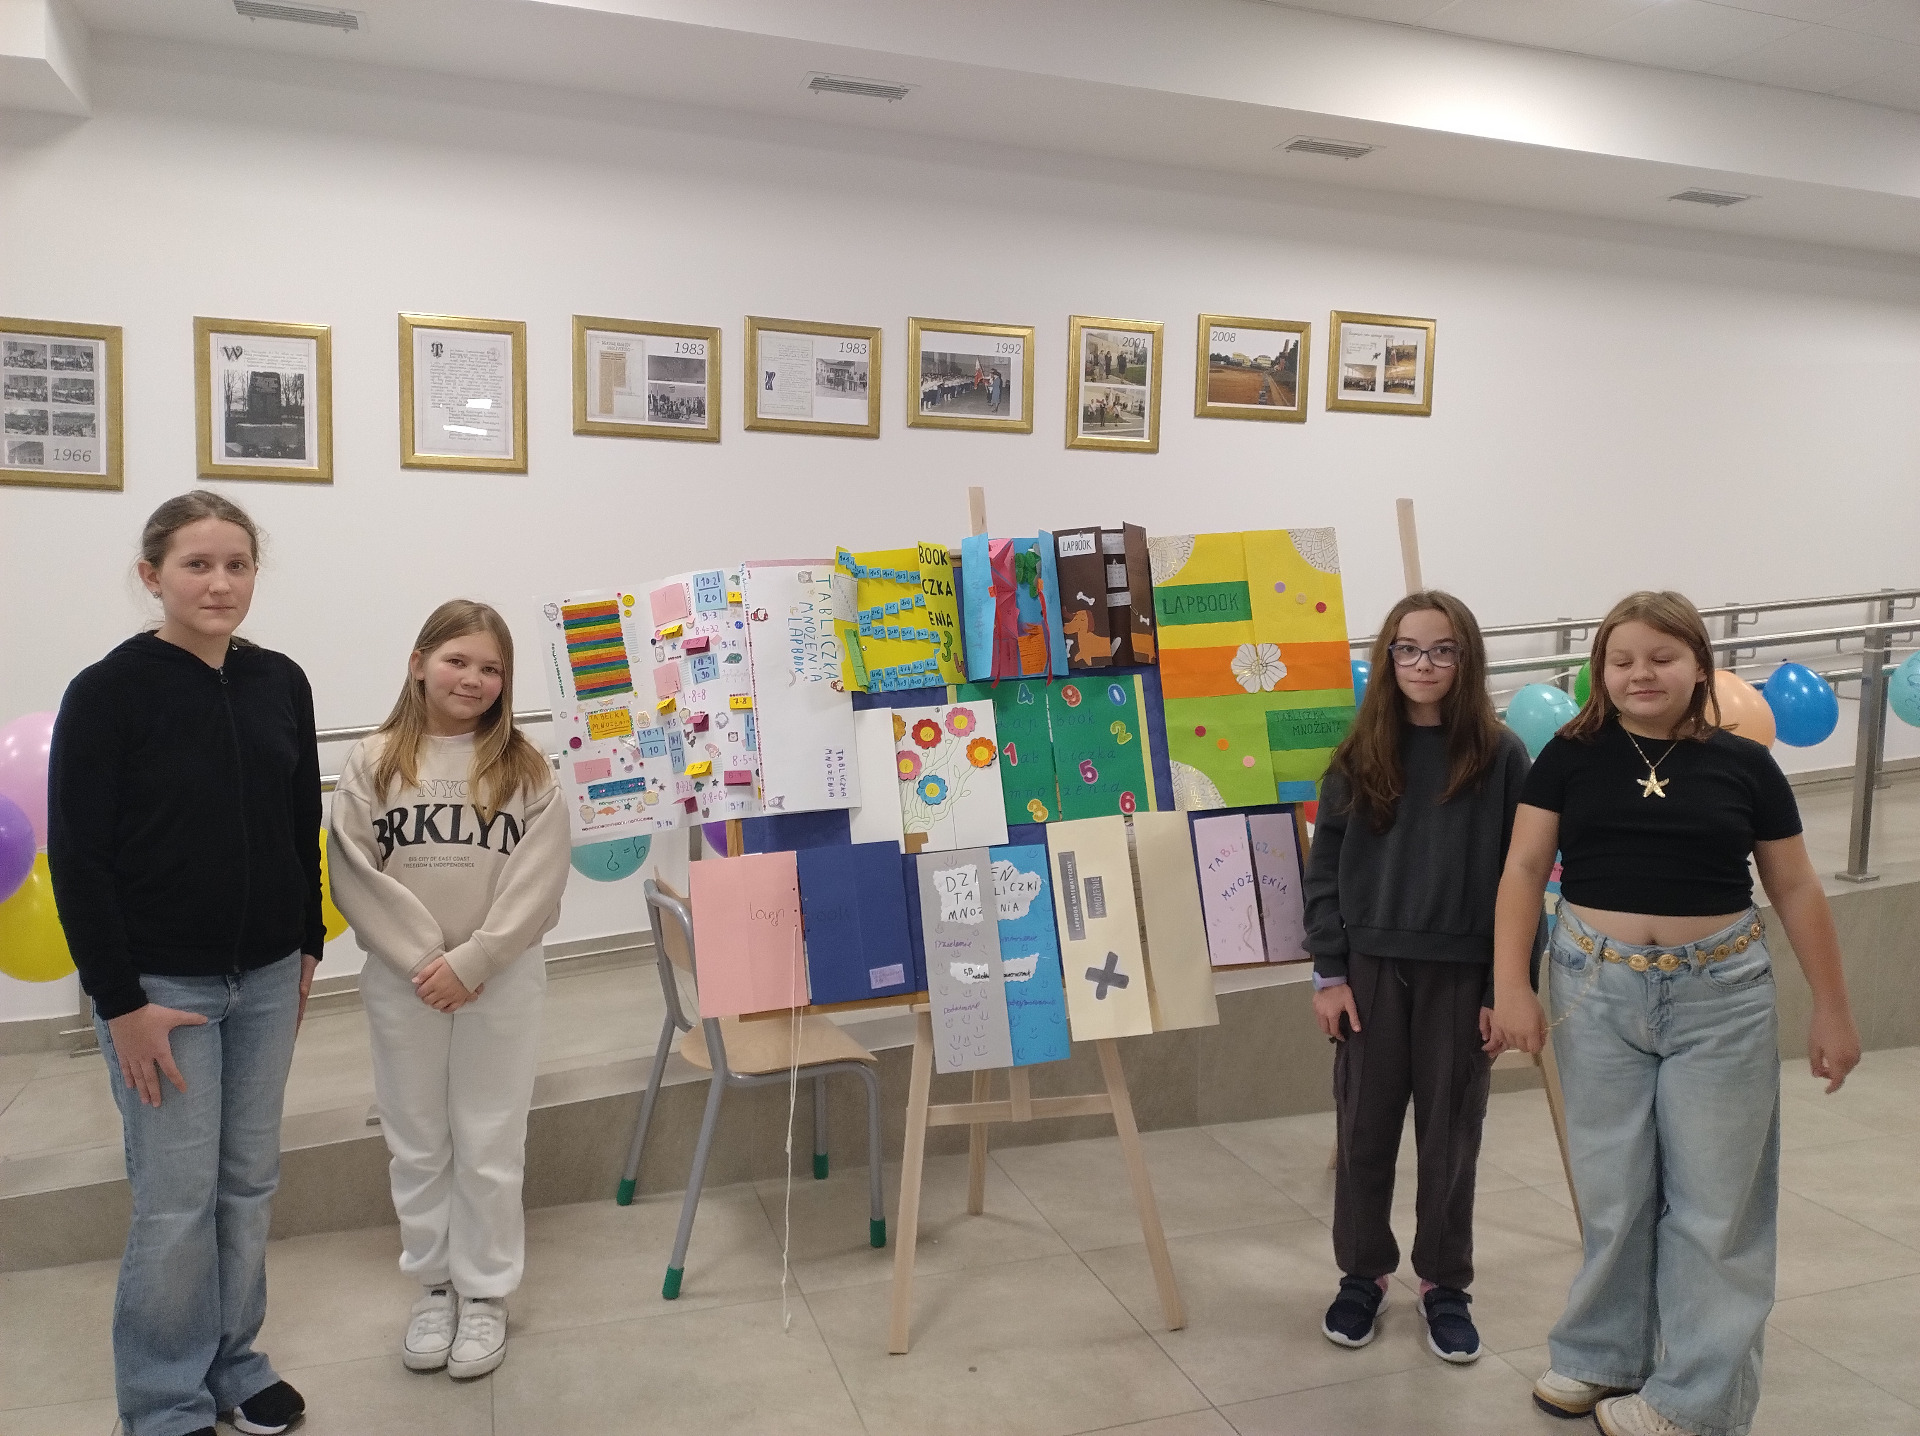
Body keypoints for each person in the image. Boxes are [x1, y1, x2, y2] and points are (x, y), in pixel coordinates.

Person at [1492, 591, 1860, 1436]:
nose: (1640, 674)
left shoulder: (1746, 765)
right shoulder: (1567, 757)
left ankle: (1696, 1400)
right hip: (1593, 988)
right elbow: (1523, 870)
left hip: (1720, 997)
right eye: (1621, 660)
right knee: (1613, 1188)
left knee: (1716, 1203)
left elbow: (1796, 886)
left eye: (1661, 657)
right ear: (1600, 671)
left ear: (1699, 664)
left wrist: (1833, 1010)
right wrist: (1513, 984)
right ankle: (1601, 1354)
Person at [48, 490, 321, 1436]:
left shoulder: (280, 681)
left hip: (268, 977)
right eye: (197, 564)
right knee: (174, 1202)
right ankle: (164, 1401)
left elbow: (299, 820)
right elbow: (80, 859)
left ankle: (235, 1363)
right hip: (161, 990)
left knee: (248, 1182)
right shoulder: (108, 692)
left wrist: (308, 941)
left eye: (237, 564)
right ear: (151, 575)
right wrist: (121, 1004)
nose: (219, 583)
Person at [327, 600, 569, 1380]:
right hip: (406, 984)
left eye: (490, 668)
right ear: (418, 663)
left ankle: (486, 1291)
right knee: (418, 1139)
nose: (473, 678)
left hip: (501, 980)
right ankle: (434, 1285)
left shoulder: (527, 765)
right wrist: (427, 960)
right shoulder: (373, 761)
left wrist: (477, 961)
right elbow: (351, 870)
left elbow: (540, 877)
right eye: (457, 660)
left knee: (491, 1139)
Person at [1304, 590, 1530, 1366]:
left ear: (1466, 658)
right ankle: (1362, 1273)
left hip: (1463, 978)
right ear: (1387, 659)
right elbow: (1325, 870)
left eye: (1441, 649)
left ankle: (1445, 1283)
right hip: (1369, 973)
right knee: (1364, 1133)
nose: (1423, 664)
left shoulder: (1501, 757)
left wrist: (1506, 989)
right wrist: (1329, 972)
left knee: (1451, 1139)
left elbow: (1523, 878)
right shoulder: (1361, 754)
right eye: (1407, 648)